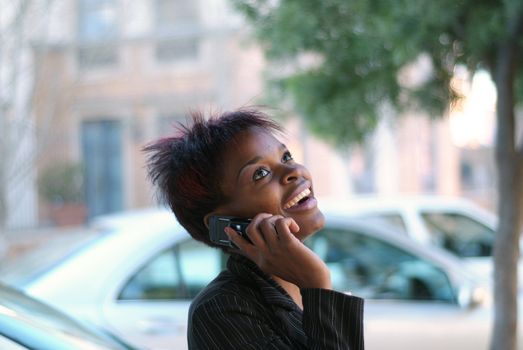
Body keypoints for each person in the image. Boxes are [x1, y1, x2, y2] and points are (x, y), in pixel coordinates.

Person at [143, 108, 364, 349]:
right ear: (224, 224)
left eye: (286, 157)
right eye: (261, 173)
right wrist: (318, 285)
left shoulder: (299, 293)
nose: (294, 172)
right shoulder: (222, 311)